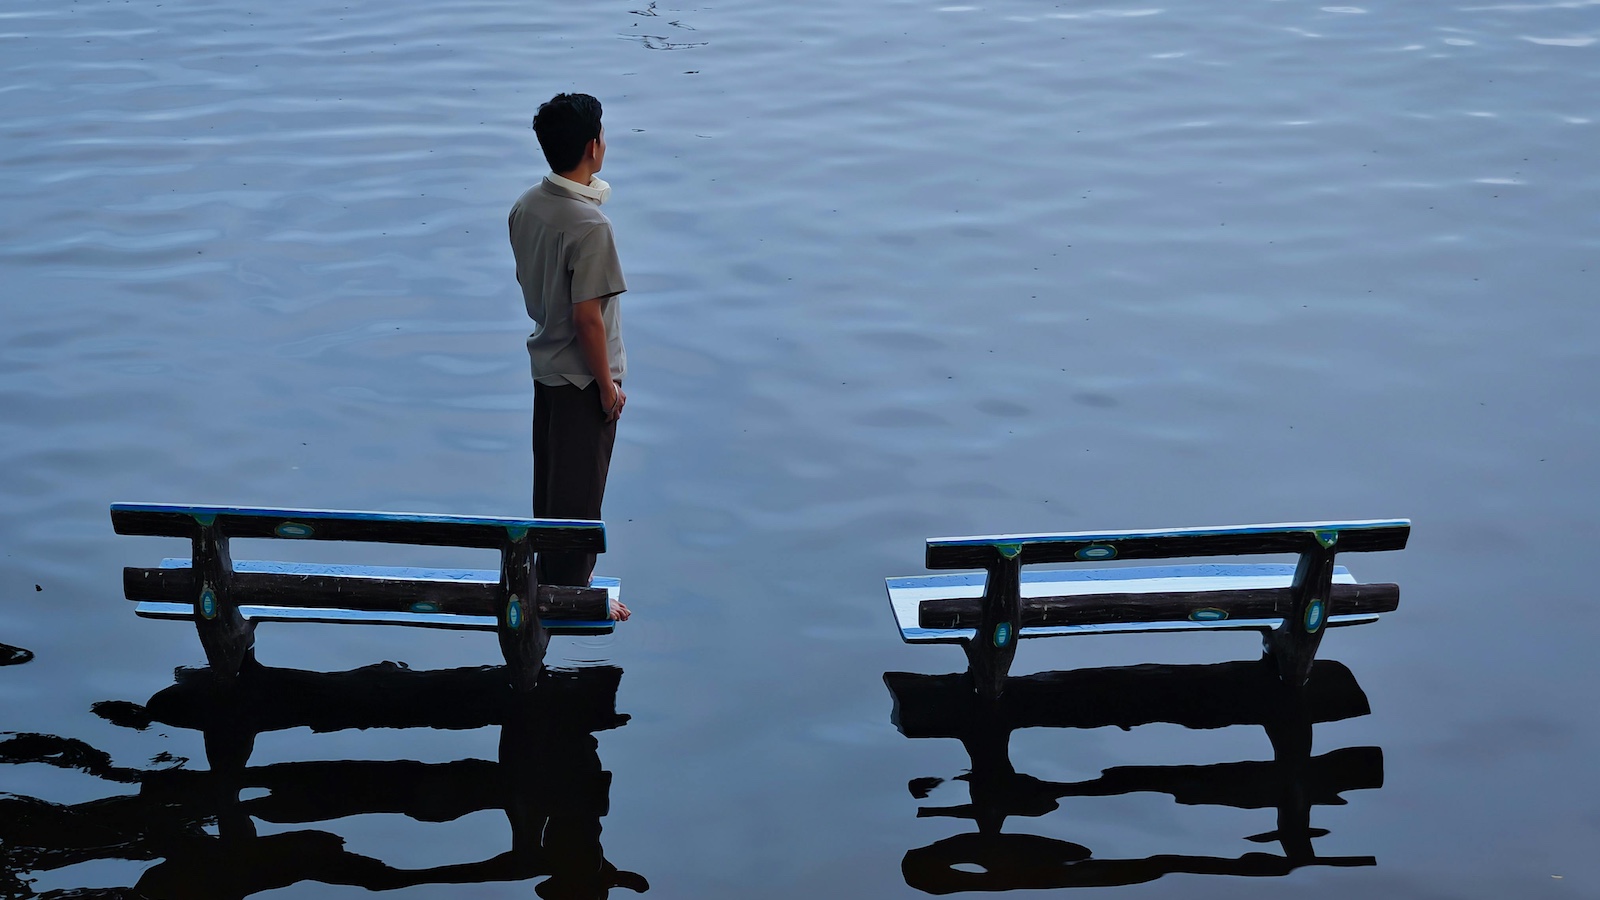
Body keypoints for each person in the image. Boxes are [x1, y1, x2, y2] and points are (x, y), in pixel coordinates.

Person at [509, 92, 630, 621]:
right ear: (593, 147)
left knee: (554, 485)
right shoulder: (591, 226)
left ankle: (554, 583)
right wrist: (606, 387)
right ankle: (572, 597)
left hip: (546, 366)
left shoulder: (527, 207)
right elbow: (588, 318)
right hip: (583, 376)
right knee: (581, 496)